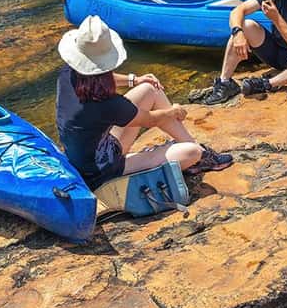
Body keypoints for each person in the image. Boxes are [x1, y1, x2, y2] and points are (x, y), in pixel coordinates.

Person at [56, 16, 234, 188]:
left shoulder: (68, 74)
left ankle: (201, 155)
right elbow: (151, 119)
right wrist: (174, 111)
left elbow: (97, 77)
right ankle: (198, 154)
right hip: (102, 173)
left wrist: (134, 79)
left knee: (150, 89)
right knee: (190, 153)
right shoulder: (106, 104)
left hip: (93, 153)